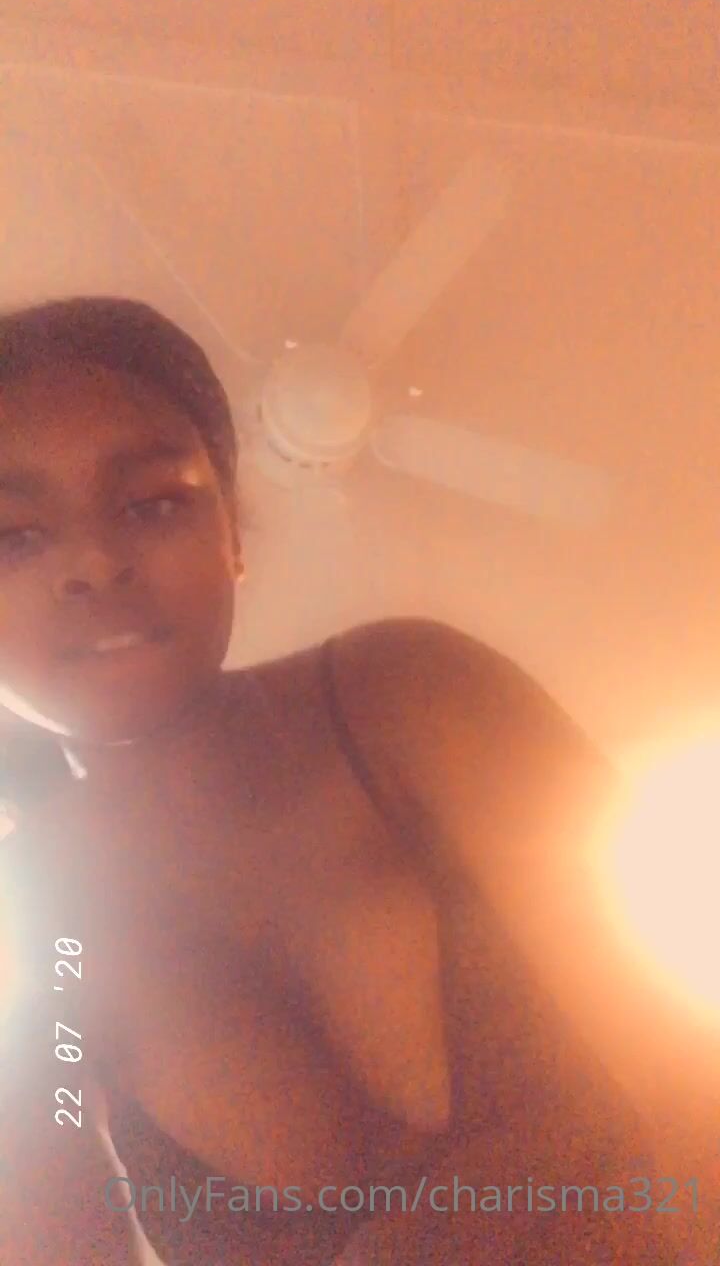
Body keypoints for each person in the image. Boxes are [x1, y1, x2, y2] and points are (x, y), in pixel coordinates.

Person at [0, 297, 679, 1264]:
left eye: (151, 504)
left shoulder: (408, 699)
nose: (96, 563)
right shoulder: (45, 944)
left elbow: (685, 1075)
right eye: (14, 535)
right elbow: (59, 1215)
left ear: (234, 533)